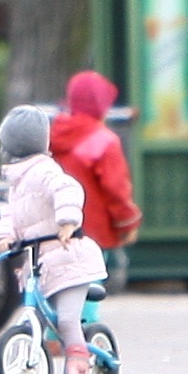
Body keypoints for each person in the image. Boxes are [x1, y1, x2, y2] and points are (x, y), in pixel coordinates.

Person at [0, 105, 108, 374]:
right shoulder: (17, 182)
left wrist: (68, 220)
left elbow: (67, 189)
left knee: (68, 319)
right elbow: (12, 215)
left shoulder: (44, 170)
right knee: (33, 320)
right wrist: (4, 237)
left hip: (68, 258)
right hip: (39, 263)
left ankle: (78, 373)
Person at [49, 70, 141, 280]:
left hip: (54, 229)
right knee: (88, 291)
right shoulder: (104, 140)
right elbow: (116, 189)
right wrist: (128, 223)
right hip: (92, 232)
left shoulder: (52, 134)